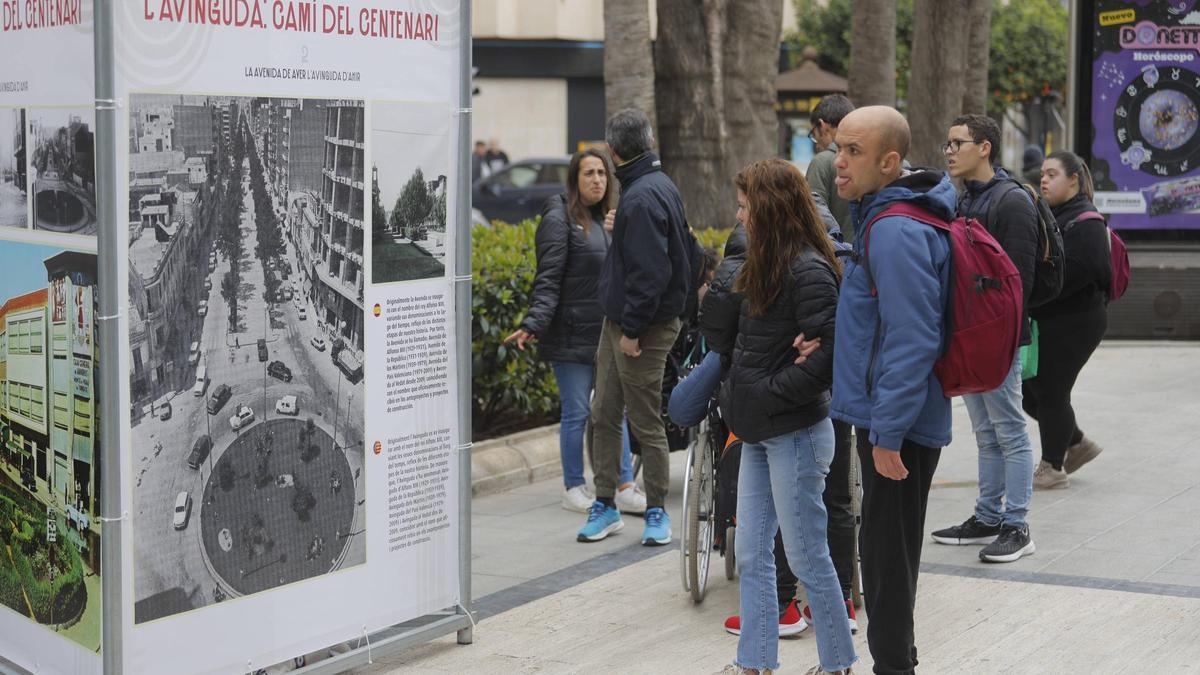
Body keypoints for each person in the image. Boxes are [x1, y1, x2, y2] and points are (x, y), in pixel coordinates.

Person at [703, 159, 855, 675]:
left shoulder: (808, 269)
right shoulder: (761, 262)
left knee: (807, 555)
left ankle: (837, 664)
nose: (739, 215)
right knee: (751, 552)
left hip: (795, 433)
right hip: (758, 431)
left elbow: (829, 358)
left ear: (768, 208)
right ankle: (755, 661)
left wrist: (767, 394)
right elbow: (740, 342)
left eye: (745, 205)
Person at [830, 106, 953, 675]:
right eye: (838, 148)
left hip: (898, 423)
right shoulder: (884, 217)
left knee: (885, 561)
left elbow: (913, 336)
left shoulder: (895, 230)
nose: (839, 161)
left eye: (853, 151)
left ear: (889, 161)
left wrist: (888, 433)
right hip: (894, 416)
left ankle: (895, 667)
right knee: (888, 555)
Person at [504, 149, 646, 515]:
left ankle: (624, 485)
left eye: (602, 173)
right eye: (589, 173)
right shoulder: (559, 219)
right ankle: (573, 486)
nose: (597, 179)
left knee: (613, 411)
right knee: (577, 412)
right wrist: (533, 323)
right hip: (570, 334)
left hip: (604, 334)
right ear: (574, 180)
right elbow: (548, 278)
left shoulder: (607, 219)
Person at [577, 108, 691, 546]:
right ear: (648, 141)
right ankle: (605, 503)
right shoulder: (651, 186)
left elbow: (651, 274)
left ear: (611, 151)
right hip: (623, 321)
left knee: (644, 420)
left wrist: (632, 331)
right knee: (603, 413)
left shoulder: (642, 195)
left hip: (640, 327)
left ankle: (656, 510)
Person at [930, 114, 1039, 563]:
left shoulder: (1011, 201)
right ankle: (988, 516)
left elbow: (1019, 283)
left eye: (958, 143)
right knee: (986, 432)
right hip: (968, 336)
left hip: (996, 338)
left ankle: (1018, 525)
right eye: (948, 143)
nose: (950, 151)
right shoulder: (967, 198)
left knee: (1009, 430)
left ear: (985, 147)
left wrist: (996, 339)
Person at [1026, 150, 1110, 489]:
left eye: (1052, 174)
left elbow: (1088, 271)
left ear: (1073, 180)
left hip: (1076, 321)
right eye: (1042, 175)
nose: (1044, 180)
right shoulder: (1058, 214)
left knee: (1050, 391)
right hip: (1054, 318)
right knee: (1030, 393)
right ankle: (1075, 443)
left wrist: (1038, 290)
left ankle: (1052, 467)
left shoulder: (1087, 220)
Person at [806, 94, 856, 238]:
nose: (816, 144)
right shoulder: (895, 163)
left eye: (813, 134)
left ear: (822, 125)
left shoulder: (822, 162)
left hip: (835, 249)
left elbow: (812, 218)